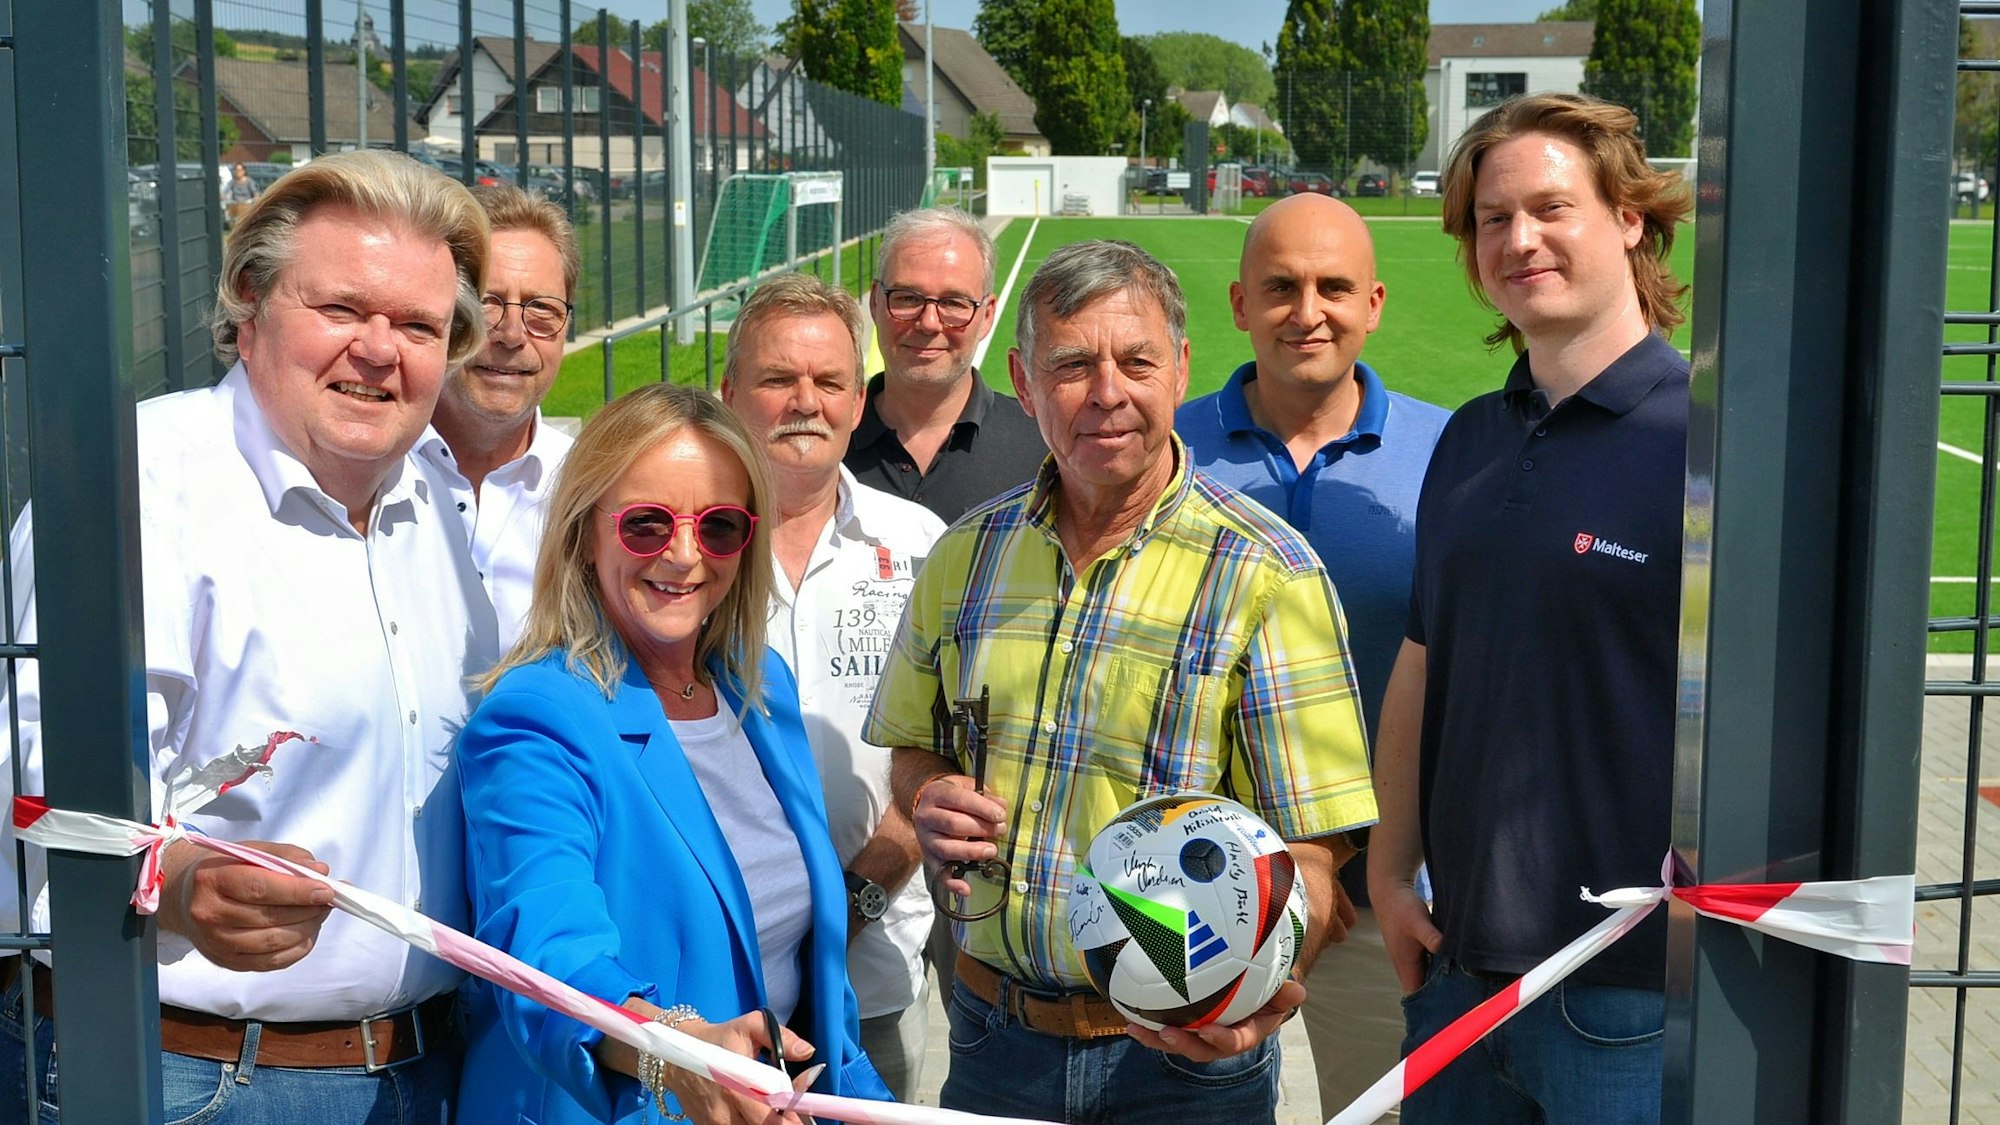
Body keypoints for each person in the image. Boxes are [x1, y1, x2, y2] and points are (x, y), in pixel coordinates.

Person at [0, 150, 497, 1124]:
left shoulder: (441, 498)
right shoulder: (139, 491)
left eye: (417, 326)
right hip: (188, 1077)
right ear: (247, 298)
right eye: (341, 309)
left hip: (427, 1068)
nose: (378, 349)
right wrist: (181, 887)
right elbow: (30, 797)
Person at [865, 239, 1377, 1125]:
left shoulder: (1266, 574)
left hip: (1184, 1069)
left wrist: (1265, 980)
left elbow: (1320, 842)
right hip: (993, 1041)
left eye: (1136, 360)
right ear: (1025, 384)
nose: (1107, 392)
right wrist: (931, 791)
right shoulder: (963, 558)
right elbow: (914, 746)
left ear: (1178, 370)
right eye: (1072, 364)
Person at [1367, 92, 1691, 1124]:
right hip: (1456, 973)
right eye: (1490, 220)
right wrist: (1387, 873)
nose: (1518, 240)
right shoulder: (1465, 439)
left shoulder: (1704, 443)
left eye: (1549, 208)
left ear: (1628, 218)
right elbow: (1424, 659)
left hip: (1622, 996)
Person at [454, 382, 891, 1125]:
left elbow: (812, 986)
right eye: (647, 524)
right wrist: (681, 1051)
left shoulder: (760, 688)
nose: (686, 556)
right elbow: (549, 956)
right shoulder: (536, 719)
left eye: (719, 526)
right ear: (584, 534)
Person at [1177, 190, 1449, 1121]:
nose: (1308, 311)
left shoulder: (1449, 450)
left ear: (1374, 302)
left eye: (1334, 286)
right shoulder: (1167, 449)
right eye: (1281, 286)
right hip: (1200, 885)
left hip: (1383, 890)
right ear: (1239, 303)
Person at [717, 273, 947, 1102]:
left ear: (859, 400)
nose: (804, 402)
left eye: (830, 382)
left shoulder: (922, 546)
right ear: (730, 390)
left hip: (873, 973)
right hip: (708, 983)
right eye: (779, 379)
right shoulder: (675, 543)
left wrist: (850, 900)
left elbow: (949, 753)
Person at [418, 181, 578, 644]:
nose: (512, 334)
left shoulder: (592, 493)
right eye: (487, 304)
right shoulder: (368, 479)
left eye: (541, 309)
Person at [845, 207, 1047, 524]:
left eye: (954, 303)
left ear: (987, 316)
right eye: (907, 298)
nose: (928, 323)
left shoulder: (1044, 449)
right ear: (875, 302)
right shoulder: (827, 447)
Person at [223, 162, 259, 226]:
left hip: (247, 204)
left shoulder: (249, 182)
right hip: (235, 204)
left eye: (239, 170)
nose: (237, 172)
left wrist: (255, 200)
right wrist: (224, 198)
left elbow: (255, 193)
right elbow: (225, 191)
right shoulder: (232, 182)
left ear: (244, 171)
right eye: (236, 170)